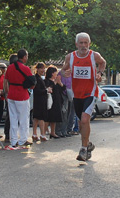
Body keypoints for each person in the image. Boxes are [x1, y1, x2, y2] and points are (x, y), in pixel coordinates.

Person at [61, 32, 106, 161]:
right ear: (76, 44)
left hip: (90, 92)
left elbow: (103, 63)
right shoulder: (70, 57)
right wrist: (65, 73)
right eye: (81, 43)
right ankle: (88, 144)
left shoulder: (94, 55)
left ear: (89, 44)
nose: (83, 45)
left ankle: (83, 149)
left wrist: (99, 73)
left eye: (86, 43)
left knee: (85, 120)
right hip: (77, 94)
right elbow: (63, 71)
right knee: (81, 123)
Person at [3, 49, 33, 147]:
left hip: (11, 94)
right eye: (27, 56)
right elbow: (32, 84)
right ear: (24, 57)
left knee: (13, 118)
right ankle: (23, 140)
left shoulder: (10, 68)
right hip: (22, 95)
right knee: (24, 119)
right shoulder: (26, 68)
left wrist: (6, 93)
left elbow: (5, 81)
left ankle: (13, 141)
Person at [44, 66, 65, 139]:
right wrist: (55, 83)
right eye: (56, 72)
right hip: (50, 101)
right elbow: (50, 89)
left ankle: (53, 132)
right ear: (52, 73)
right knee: (48, 118)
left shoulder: (56, 81)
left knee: (54, 118)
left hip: (57, 101)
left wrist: (60, 83)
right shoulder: (47, 81)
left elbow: (63, 88)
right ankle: (43, 133)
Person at [32, 62, 49, 142]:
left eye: (44, 68)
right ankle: (42, 134)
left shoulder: (39, 78)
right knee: (41, 118)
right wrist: (46, 90)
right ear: (37, 69)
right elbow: (37, 90)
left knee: (36, 117)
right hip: (40, 100)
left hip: (38, 100)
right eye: (41, 68)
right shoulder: (37, 78)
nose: (43, 70)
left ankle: (34, 134)